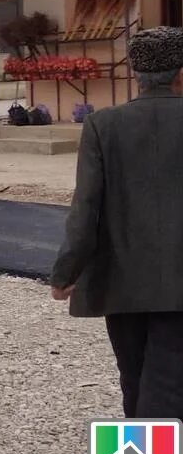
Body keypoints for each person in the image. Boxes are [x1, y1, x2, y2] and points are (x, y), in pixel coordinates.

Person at [51, 26, 183, 420]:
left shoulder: (102, 126)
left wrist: (65, 273)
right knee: (170, 381)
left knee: (135, 376)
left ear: (135, 75)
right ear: (181, 73)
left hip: (121, 279)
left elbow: (86, 208)